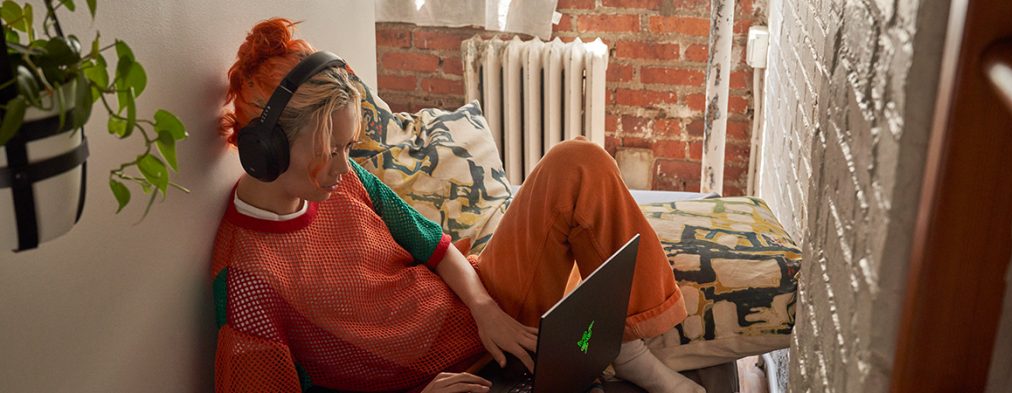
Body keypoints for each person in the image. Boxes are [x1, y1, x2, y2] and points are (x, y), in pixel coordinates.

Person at [211, 18, 705, 393]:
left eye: (347, 148)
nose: (344, 166)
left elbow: (435, 244)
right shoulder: (248, 283)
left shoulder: (344, 181)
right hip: (454, 381)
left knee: (576, 160)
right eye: (330, 151)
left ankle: (634, 352)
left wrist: (486, 309)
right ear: (268, 150)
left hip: (486, 315)